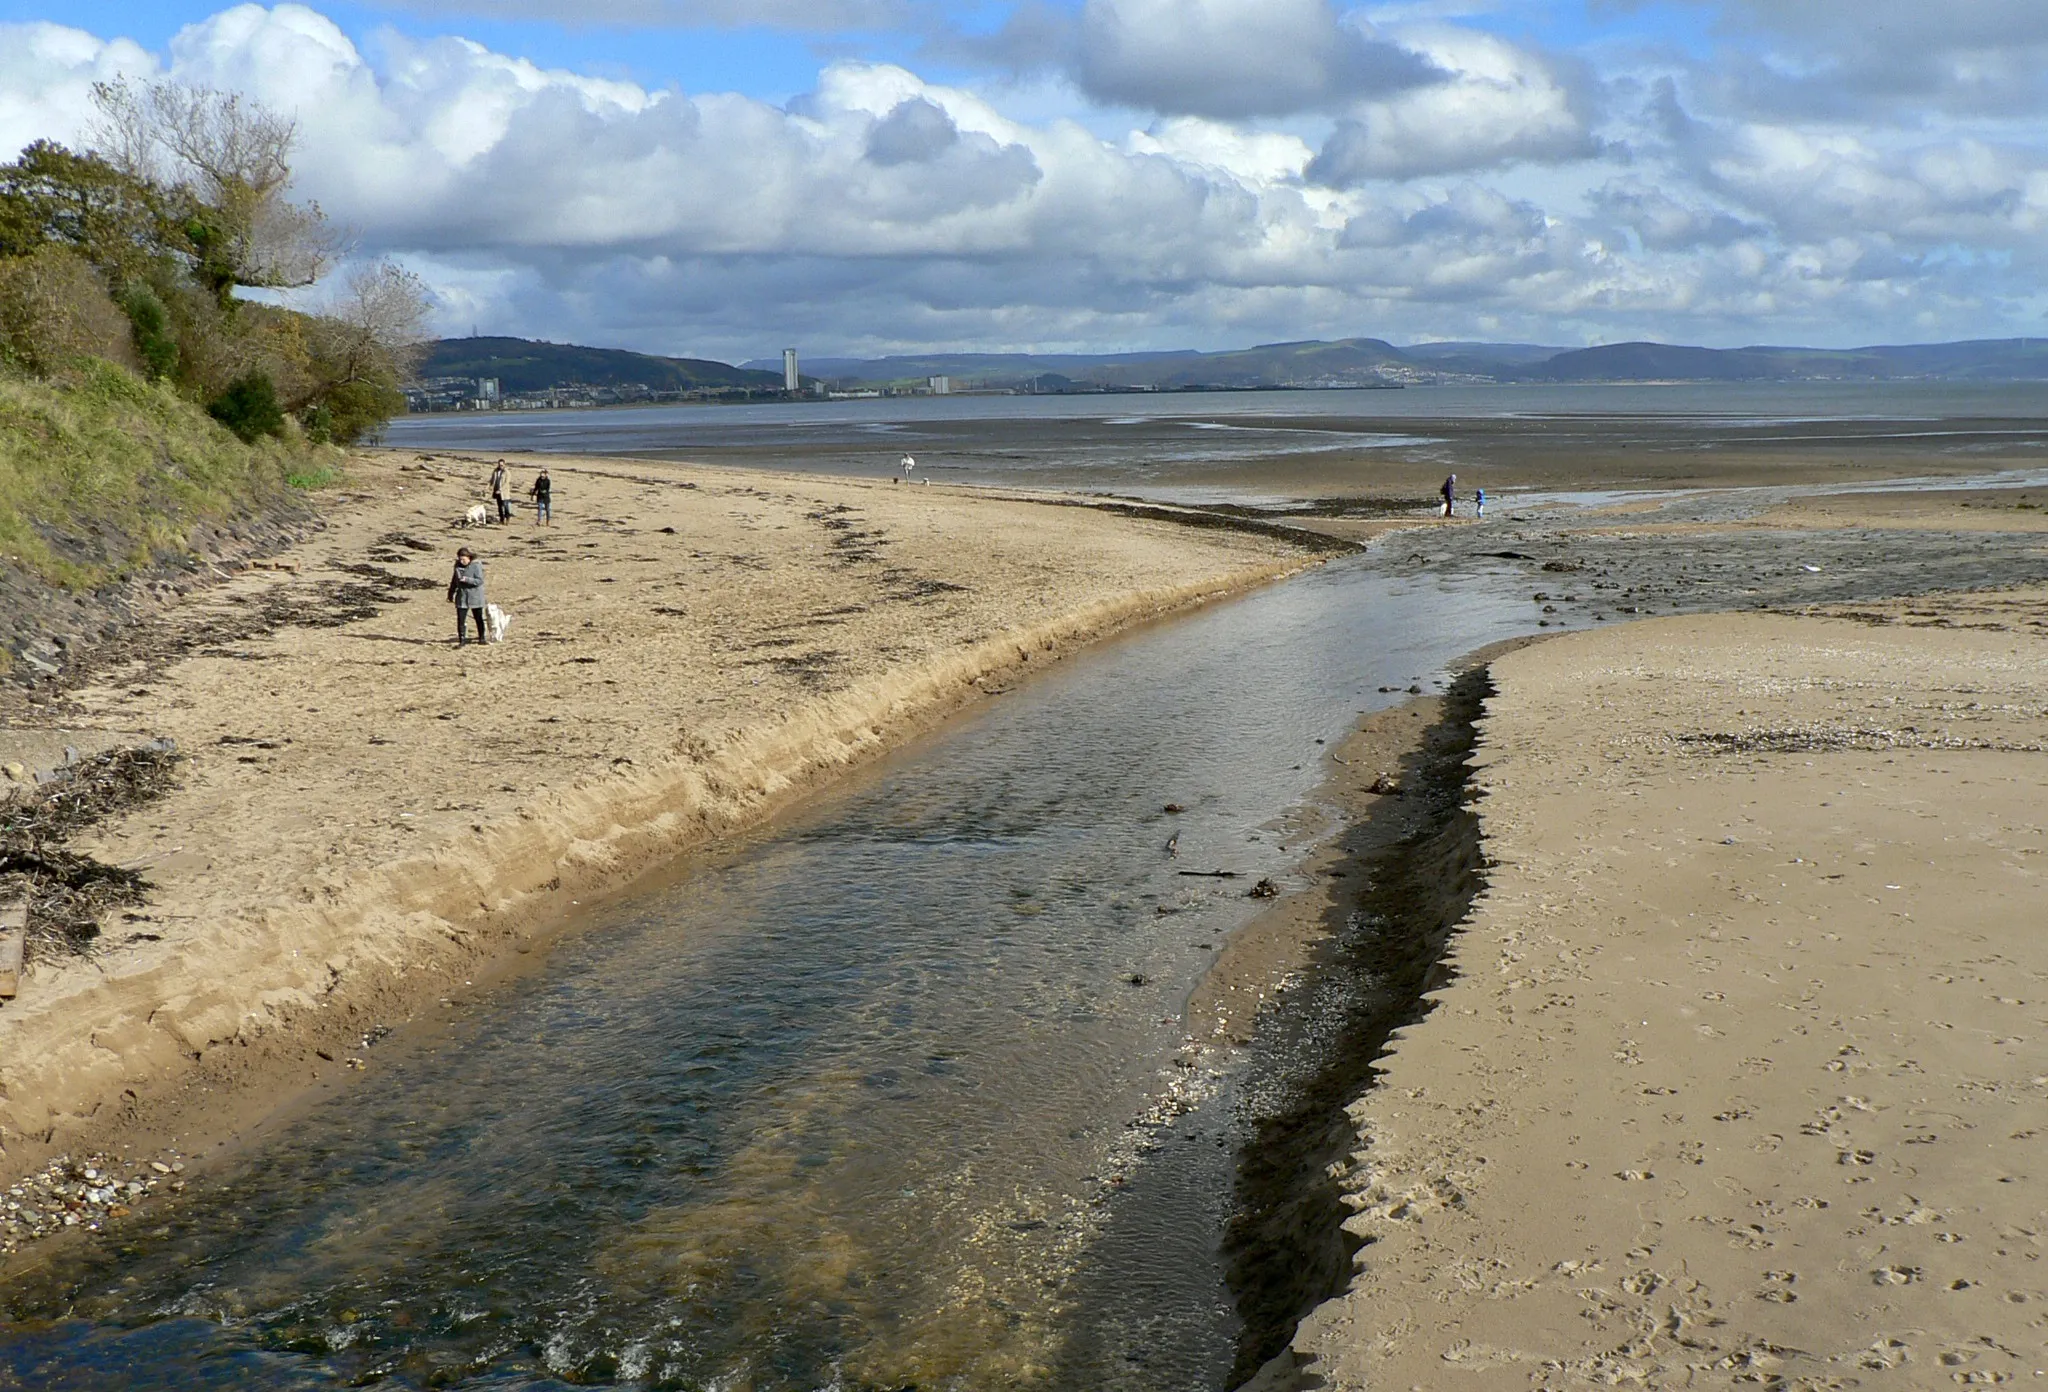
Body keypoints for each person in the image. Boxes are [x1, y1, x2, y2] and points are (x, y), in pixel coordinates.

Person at [448, 546, 488, 645]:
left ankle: (482, 638)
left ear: (469, 558)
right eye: (460, 559)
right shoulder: (457, 566)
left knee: (478, 618)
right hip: (462, 596)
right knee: (461, 619)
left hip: (475, 596)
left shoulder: (476, 565)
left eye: (464, 559)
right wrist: (451, 593)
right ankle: (462, 640)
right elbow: (454, 580)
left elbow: (479, 581)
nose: (462, 561)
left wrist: (467, 579)